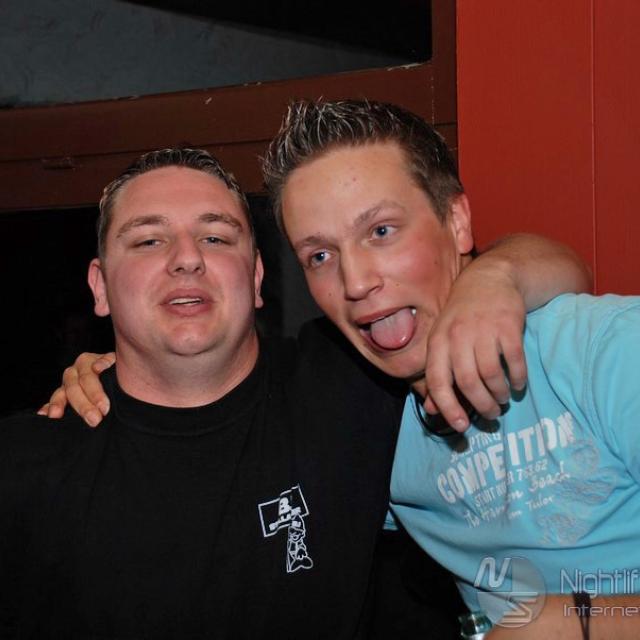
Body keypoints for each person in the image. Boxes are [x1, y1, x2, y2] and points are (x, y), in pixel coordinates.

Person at [39, 131, 593, 636]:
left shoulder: (352, 377)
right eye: (147, 241)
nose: (187, 259)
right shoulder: (28, 470)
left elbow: (561, 268)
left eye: (215, 236)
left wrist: (492, 278)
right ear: (100, 286)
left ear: (257, 276)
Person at [260, 99, 640, 638]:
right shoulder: (366, 421)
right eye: (320, 256)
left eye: (381, 231)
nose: (355, 282)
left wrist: (573, 623)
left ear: (457, 222)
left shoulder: (603, 351)